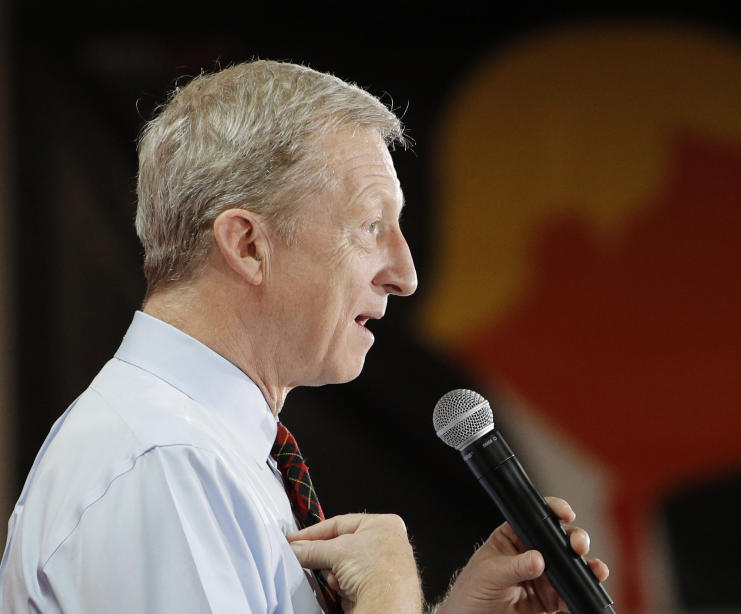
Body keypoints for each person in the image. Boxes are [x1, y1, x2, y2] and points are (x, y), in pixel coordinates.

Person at [0, 60, 608, 613]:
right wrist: (390, 603)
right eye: (371, 226)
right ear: (248, 246)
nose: (405, 275)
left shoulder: (201, 450)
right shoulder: (167, 467)